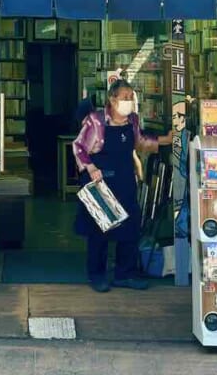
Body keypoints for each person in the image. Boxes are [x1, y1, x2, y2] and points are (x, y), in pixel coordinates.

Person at [72, 79, 173, 293]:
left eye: (131, 98)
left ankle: (123, 274)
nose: (128, 102)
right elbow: (79, 146)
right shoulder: (96, 121)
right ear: (112, 99)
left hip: (125, 179)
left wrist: (166, 140)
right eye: (124, 98)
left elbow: (140, 142)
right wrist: (90, 168)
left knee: (130, 226)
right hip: (101, 181)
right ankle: (97, 275)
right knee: (99, 229)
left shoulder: (132, 121)